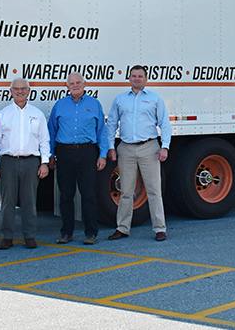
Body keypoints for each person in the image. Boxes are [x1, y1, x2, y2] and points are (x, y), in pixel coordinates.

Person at [106, 65, 172, 242]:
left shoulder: (155, 99)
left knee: (153, 190)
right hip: (126, 148)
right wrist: (110, 147)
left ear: (146, 79)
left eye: (140, 76)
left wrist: (164, 146)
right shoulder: (120, 100)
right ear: (129, 79)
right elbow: (112, 123)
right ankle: (122, 228)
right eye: (134, 76)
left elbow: (164, 124)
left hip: (149, 148)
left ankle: (159, 228)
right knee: (126, 191)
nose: (137, 78)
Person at [48, 73, 110, 245]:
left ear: (85, 84)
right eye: (72, 83)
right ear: (66, 86)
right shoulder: (60, 105)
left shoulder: (94, 104)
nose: (75, 85)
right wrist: (50, 154)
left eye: (78, 82)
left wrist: (103, 155)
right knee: (66, 195)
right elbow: (52, 131)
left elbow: (101, 131)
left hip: (87, 152)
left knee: (88, 194)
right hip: (64, 153)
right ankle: (66, 233)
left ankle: (91, 233)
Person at [0, 78, 50, 249]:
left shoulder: (37, 114)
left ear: (29, 91)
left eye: (23, 89)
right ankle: (7, 236)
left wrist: (44, 162)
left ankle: (29, 236)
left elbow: (44, 140)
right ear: (11, 91)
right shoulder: (4, 114)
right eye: (16, 89)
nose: (20, 91)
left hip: (31, 162)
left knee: (29, 201)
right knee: (8, 201)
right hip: (8, 161)